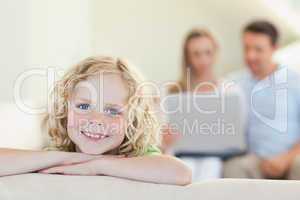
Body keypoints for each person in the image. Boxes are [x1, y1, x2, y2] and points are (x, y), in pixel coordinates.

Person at [0, 56, 192, 185]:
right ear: (66, 110)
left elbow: (181, 173)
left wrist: (98, 164)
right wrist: (72, 158)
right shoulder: (60, 155)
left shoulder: (137, 155)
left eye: (112, 111)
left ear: (132, 120)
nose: (96, 120)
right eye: (83, 107)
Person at [223, 20, 300, 179]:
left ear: (274, 49)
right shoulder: (234, 83)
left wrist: (285, 158)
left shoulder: (295, 82)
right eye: (246, 48)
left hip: (292, 157)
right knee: (234, 167)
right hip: (256, 160)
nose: (250, 56)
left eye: (258, 49)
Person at [163, 28, 232, 181]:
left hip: (214, 153)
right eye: (196, 54)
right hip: (182, 152)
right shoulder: (174, 91)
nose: (203, 60)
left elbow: (235, 130)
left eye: (208, 52)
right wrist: (165, 138)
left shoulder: (228, 90)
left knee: (211, 165)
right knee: (185, 167)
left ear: (215, 53)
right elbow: (165, 131)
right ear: (187, 57)